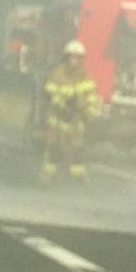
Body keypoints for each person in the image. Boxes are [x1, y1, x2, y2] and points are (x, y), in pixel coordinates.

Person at [40, 38, 100, 182]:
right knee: (54, 147)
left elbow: (91, 97)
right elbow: (49, 94)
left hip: (76, 118)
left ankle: (79, 176)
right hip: (58, 118)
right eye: (71, 57)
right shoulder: (57, 75)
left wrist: (90, 114)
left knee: (77, 148)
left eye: (78, 57)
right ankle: (47, 175)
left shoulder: (85, 77)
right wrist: (62, 106)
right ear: (66, 57)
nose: (74, 61)